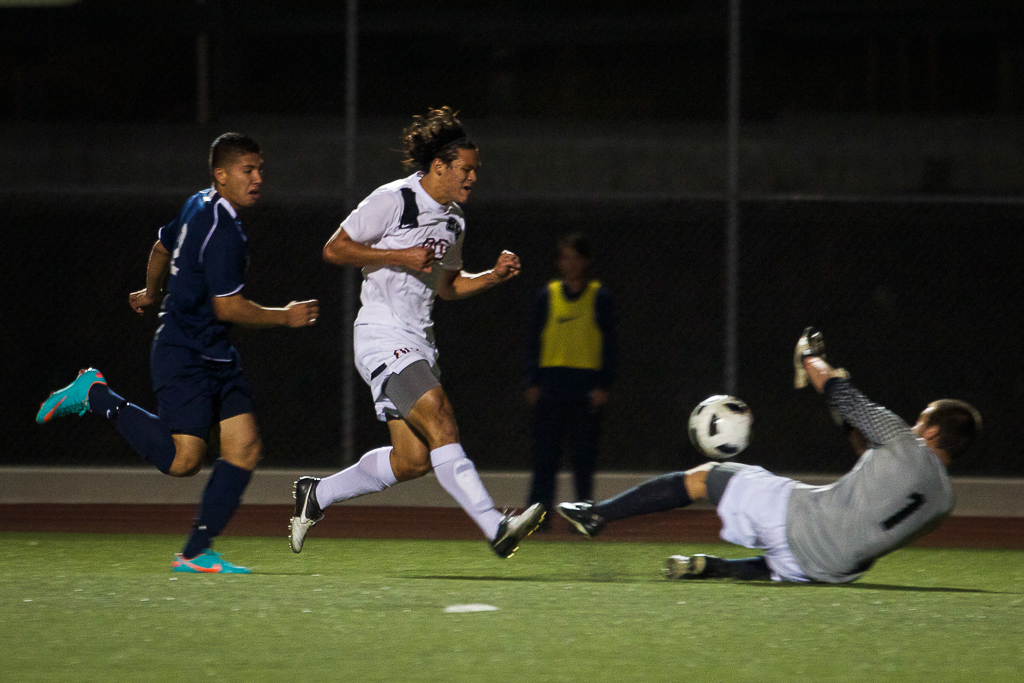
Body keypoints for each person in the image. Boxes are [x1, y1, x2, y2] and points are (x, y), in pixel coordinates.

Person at [36, 133, 320, 574]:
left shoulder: (198, 204)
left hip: (215, 352)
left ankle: (194, 553)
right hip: (185, 352)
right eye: (248, 170)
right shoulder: (223, 230)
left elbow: (160, 248)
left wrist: (151, 293)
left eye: (260, 168)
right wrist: (286, 316)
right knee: (183, 461)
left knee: (243, 449)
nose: (258, 177)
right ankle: (96, 394)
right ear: (221, 175)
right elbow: (228, 305)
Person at [289, 106, 545, 558]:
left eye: (476, 171)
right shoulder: (394, 199)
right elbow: (335, 248)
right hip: (382, 334)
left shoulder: (454, 221)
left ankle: (318, 494)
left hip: (419, 342)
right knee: (442, 420)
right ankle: (495, 527)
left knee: (412, 461)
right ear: (440, 166)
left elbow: (447, 286)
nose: (472, 179)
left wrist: (492, 277)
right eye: (466, 170)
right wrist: (401, 257)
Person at [557, 328, 982, 583]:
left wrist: (811, 357)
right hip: (832, 571)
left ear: (931, 430)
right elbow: (873, 464)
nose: (913, 425)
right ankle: (716, 568)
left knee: (708, 475)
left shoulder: (906, 444)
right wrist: (845, 419)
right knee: (807, 542)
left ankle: (599, 515)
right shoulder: (944, 502)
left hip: (801, 529)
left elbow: (841, 392)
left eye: (920, 420)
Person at [523, 232, 617, 530]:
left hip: (585, 387)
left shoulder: (599, 298)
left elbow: (611, 344)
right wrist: (532, 381)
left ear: (585, 261)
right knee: (544, 461)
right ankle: (538, 519)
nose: (570, 263)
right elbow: (533, 342)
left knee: (583, 461)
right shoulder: (546, 296)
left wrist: (604, 384)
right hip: (551, 386)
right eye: (564, 257)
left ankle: (584, 518)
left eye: (575, 257)